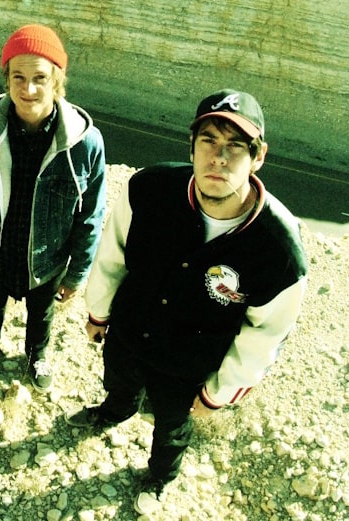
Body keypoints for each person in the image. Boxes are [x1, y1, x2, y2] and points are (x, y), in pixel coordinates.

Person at [72, 89, 308, 501]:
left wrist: (218, 394)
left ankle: (161, 475)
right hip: (130, 329)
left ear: (259, 156)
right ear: (192, 145)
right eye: (209, 142)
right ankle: (116, 409)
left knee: (171, 423)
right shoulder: (148, 190)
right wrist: (98, 313)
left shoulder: (279, 249)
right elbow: (113, 256)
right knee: (119, 380)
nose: (219, 158)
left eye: (235, 147)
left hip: (189, 363)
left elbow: (265, 334)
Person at [0, 24, 108, 392]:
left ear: (57, 81)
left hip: (46, 260)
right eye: (18, 77)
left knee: (42, 314)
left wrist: (75, 275)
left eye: (39, 77)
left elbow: (91, 218)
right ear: (6, 79)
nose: (29, 88)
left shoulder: (85, 144)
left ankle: (37, 356)